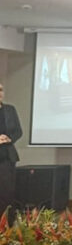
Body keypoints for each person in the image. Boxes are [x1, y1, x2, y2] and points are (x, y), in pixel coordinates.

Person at [0, 83, 22, 225]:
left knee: (7, 192)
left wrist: (9, 138)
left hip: (7, 156)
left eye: (1, 89)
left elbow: (18, 131)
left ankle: (7, 224)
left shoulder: (10, 109)